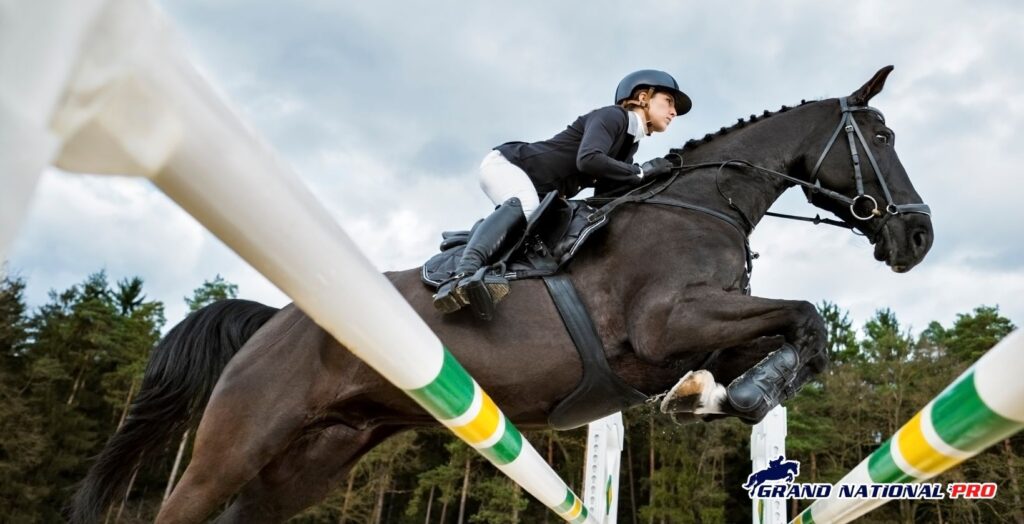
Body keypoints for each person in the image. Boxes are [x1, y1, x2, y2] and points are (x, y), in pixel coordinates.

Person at [433, 69, 691, 320]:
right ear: (643, 97)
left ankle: (470, 241)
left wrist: (655, 182)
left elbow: (604, 196)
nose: (673, 112)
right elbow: (588, 159)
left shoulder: (628, 145)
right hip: (511, 165)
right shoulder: (613, 116)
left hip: (538, 188)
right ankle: (462, 276)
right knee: (526, 206)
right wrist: (640, 173)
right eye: (668, 101)